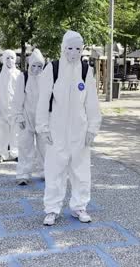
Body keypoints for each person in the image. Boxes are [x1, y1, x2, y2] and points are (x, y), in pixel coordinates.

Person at [36, 30, 102, 226]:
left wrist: (92, 128)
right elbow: (42, 101)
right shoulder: (52, 69)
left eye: (78, 48)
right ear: (63, 48)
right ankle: (51, 209)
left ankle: (79, 206)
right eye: (70, 48)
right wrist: (43, 128)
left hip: (79, 131)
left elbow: (92, 102)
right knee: (54, 170)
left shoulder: (85, 70)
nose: (74, 52)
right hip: (56, 130)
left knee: (81, 171)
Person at [12, 49, 47, 185]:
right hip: (27, 118)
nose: (37, 69)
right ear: (29, 65)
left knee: (45, 147)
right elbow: (17, 99)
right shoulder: (24, 77)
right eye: (34, 66)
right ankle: (23, 174)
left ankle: (45, 171)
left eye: (40, 66)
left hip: (42, 119)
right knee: (25, 146)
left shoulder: (46, 78)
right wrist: (19, 115)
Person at [0, 50, 21, 163]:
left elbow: (21, 92)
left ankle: (15, 153)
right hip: (2, 108)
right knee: (2, 132)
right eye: (7, 58)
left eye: (12, 58)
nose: (10, 60)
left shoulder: (18, 74)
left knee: (15, 132)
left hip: (14, 109)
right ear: (3, 59)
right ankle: (1, 153)